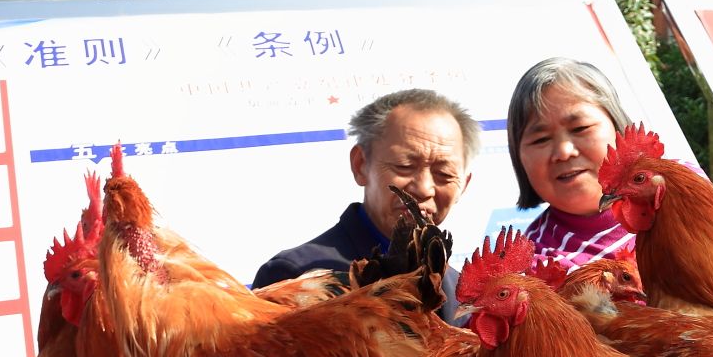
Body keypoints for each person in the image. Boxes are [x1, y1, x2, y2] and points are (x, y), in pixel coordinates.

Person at [253, 88, 480, 286]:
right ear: (360, 165)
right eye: (404, 166)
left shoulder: (461, 293)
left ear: (464, 185)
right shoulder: (296, 277)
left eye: (444, 174)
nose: (424, 189)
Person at [508, 56, 637, 267]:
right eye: (541, 139)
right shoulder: (533, 265)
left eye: (580, 128)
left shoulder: (680, 190)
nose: (564, 152)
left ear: (618, 128)